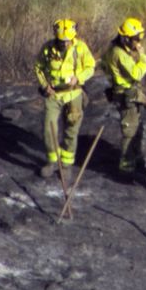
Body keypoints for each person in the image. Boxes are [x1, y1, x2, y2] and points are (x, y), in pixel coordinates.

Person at [34, 18, 96, 179]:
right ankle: (52, 161)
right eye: (62, 41)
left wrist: (79, 78)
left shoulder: (80, 48)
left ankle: (66, 165)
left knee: (71, 130)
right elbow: (38, 67)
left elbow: (90, 67)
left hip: (74, 93)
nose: (65, 44)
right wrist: (44, 85)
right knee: (49, 128)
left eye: (67, 41)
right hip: (54, 94)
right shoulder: (48, 49)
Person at [101, 17, 146, 176]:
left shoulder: (114, 49)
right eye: (136, 39)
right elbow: (137, 73)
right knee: (130, 131)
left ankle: (135, 156)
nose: (138, 42)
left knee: (136, 126)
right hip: (126, 95)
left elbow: (103, 64)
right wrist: (143, 57)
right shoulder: (119, 54)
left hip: (124, 92)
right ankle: (126, 166)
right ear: (125, 38)